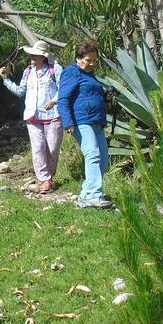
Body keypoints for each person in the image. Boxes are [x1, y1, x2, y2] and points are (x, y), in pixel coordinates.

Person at [57, 40, 114, 209]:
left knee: (103, 160)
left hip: (96, 121)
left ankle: (85, 195)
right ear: (78, 58)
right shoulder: (71, 72)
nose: (92, 64)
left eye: (95, 60)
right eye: (89, 60)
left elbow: (88, 96)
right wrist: (68, 122)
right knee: (92, 154)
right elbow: (63, 99)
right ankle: (95, 195)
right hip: (81, 121)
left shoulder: (90, 75)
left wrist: (106, 97)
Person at [0, 42, 63, 193]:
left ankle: (49, 176)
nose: (31, 57)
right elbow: (20, 91)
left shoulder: (55, 69)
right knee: (38, 148)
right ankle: (45, 179)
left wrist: (54, 100)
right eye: (31, 54)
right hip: (32, 116)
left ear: (43, 56)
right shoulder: (28, 71)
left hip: (53, 115)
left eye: (34, 54)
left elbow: (64, 88)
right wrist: (5, 79)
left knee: (53, 148)